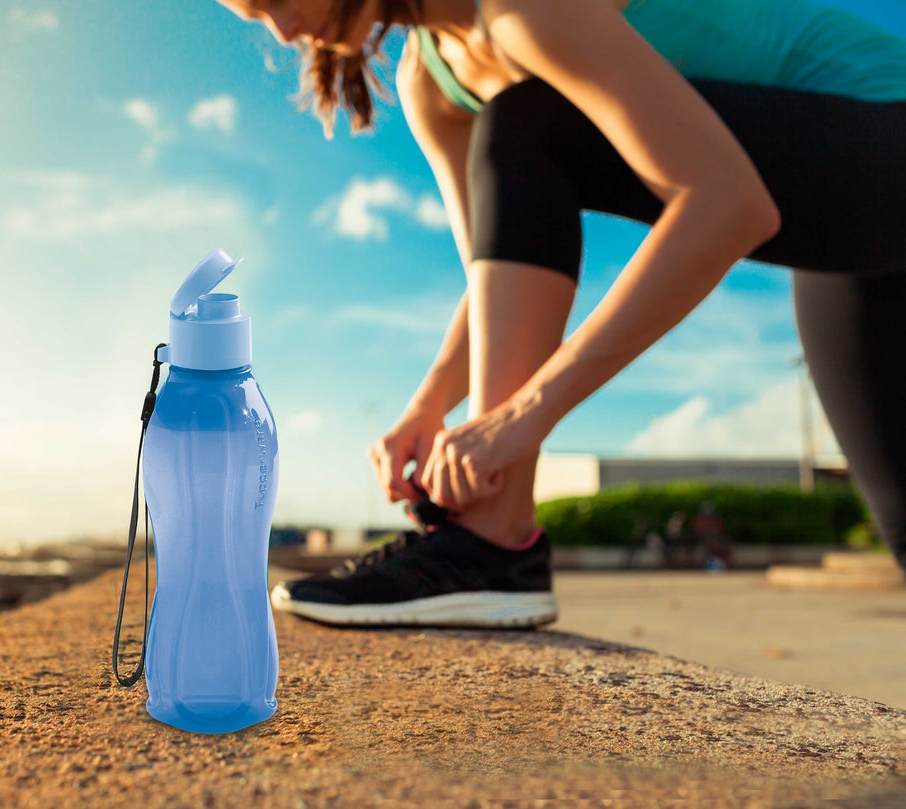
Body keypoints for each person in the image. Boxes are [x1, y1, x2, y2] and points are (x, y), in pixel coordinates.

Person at [212, 0, 906, 627]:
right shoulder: (432, 84)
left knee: (521, 120)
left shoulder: (522, 8)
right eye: (257, 19)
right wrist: (427, 409)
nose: (284, 30)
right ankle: (490, 541)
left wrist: (521, 416)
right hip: (846, 235)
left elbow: (727, 204)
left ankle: (492, 540)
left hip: (885, 131)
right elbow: (501, 278)